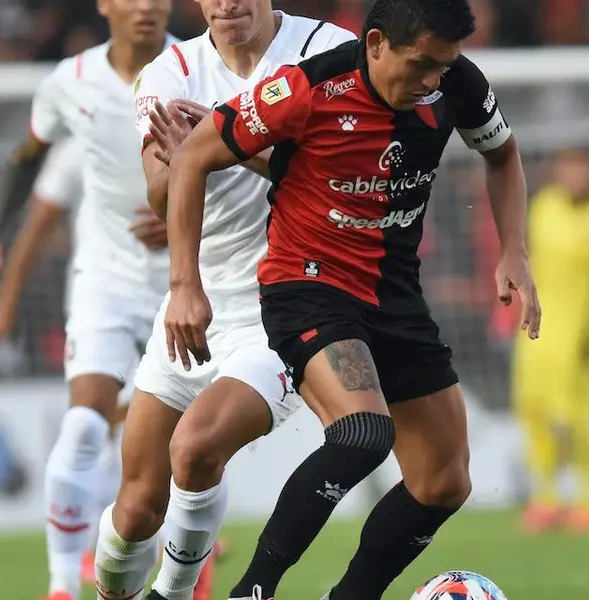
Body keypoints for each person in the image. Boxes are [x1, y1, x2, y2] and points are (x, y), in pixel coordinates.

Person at [163, 0, 541, 598]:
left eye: (442, 67)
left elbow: (503, 155)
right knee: (364, 432)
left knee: (444, 480)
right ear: (374, 44)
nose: (430, 82)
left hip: (394, 294)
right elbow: (193, 155)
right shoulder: (306, 89)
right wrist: (185, 285)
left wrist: (514, 250)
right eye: (421, 65)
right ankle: (253, 590)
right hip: (307, 286)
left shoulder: (458, 83)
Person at [90, 3, 357, 600]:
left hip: (291, 307)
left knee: (198, 444)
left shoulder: (329, 52)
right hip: (194, 308)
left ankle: (177, 592)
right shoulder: (171, 71)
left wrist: (222, 137)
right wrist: (187, 157)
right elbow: (161, 198)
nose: (229, 4)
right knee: (135, 510)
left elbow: (341, 180)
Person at [0, 1, 176, 599]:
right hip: (104, 278)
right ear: (106, 4)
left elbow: (246, 163)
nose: (148, 7)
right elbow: (28, 160)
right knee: (85, 424)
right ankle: (61, 587)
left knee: (174, 448)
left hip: (188, 281)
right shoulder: (71, 83)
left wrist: (190, 210)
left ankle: (176, 569)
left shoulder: (198, 66)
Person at [507, 148, 589, 534]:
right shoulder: (544, 207)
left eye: (582, 168)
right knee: (534, 413)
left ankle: (586, 500)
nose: (574, 176)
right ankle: (545, 499)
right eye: (567, 167)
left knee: (577, 422)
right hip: (534, 334)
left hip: (581, 342)